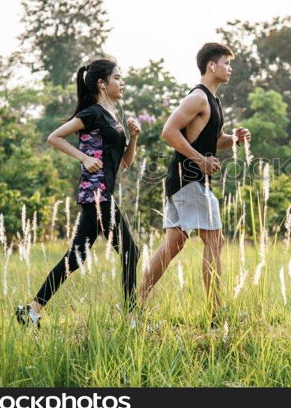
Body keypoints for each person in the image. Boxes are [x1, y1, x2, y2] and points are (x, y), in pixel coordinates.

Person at [16, 59, 142, 327]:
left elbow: (124, 163)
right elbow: (54, 137)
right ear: (101, 83)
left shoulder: (112, 116)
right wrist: (84, 158)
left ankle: (31, 310)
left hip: (101, 193)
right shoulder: (92, 113)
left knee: (75, 257)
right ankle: (132, 320)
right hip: (97, 194)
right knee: (131, 251)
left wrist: (133, 139)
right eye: (117, 78)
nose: (122, 83)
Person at [139, 43, 250, 327]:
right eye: (226, 62)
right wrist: (200, 161)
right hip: (190, 179)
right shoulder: (198, 97)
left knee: (174, 244)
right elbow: (169, 131)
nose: (230, 68)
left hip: (182, 180)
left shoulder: (212, 101)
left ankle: (133, 306)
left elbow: (214, 141)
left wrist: (234, 139)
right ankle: (216, 316)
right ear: (211, 66)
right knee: (215, 239)